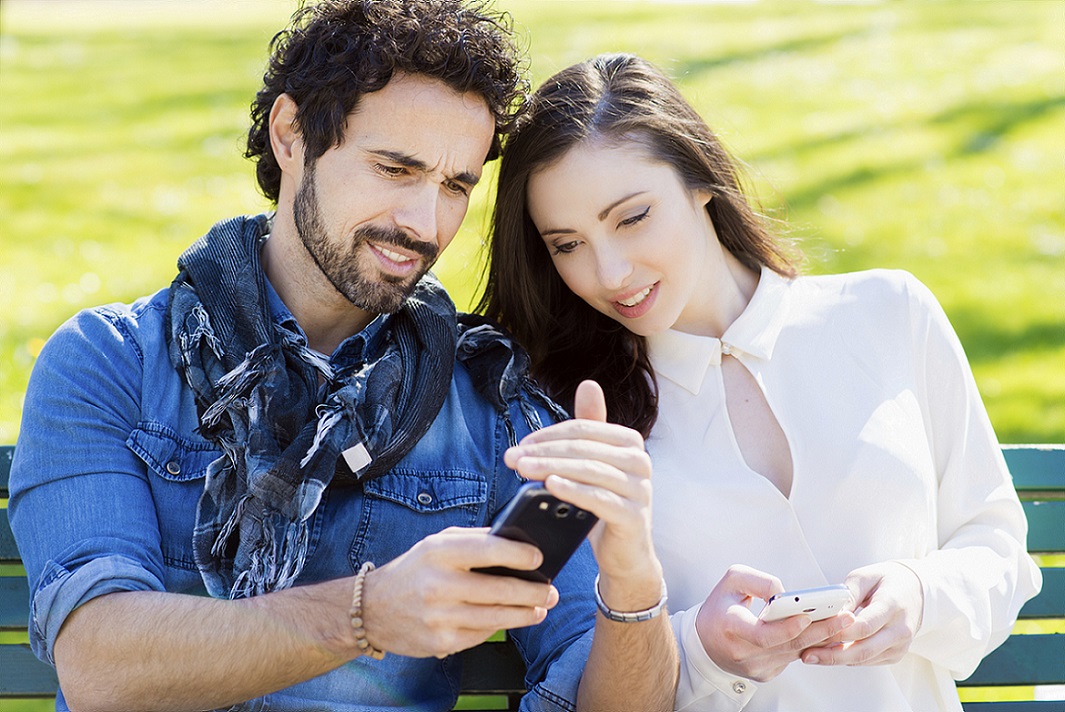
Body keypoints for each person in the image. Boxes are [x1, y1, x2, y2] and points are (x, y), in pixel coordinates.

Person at [8, 6, 679, 710]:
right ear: (291, 134)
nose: (425, 224)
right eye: (396, 168)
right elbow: (99, 664)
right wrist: (368, 612)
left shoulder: (488, 401)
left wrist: (631, 581)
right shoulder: (108, 363)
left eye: (455, 186)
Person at [479, 52, 1042, 711]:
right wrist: (701, 648)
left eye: (631, 218)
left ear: (700, 182)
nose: (609, 273)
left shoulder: (890, 313)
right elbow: (588, 684)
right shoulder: (560, 413)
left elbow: (995, 544)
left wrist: (921, 597)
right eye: (566, 244)